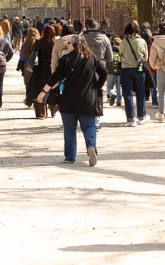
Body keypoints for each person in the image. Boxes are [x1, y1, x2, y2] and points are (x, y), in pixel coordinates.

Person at [46, 23, 105, 165]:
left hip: (68, 100)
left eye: (69, 43)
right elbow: (104, 72)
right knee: (89, 126)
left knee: (69, 129)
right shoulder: (92, 58)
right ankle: (91, 146)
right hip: (88, 98)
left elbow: (55, 77)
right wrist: (97, 86)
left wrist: (44, 91)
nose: (67, 45)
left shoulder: (65, 59)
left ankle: (70, 157)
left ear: (76, 45)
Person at [114, 22, 149, 125]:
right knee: (140, 93)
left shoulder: (123, 42)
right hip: (139, 69)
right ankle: (141, 116)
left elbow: (121, 54)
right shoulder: (142, 41)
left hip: (126, 69)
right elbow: (146, 56)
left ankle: (131, 118)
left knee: (128, 94)